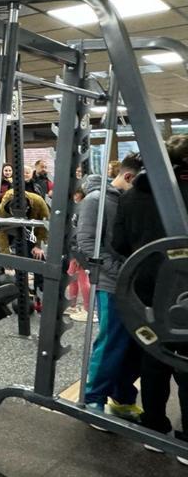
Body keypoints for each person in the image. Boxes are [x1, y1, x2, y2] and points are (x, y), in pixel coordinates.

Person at [112, 135, 187, 465]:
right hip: (183, 292)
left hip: (146, 291)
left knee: (154, 362)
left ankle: (154, 431)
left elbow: (119, 244)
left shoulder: (130, 199)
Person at [79, 153, 145, 421]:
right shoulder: (96, 201)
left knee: (134, 345)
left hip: (133, 283)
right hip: (111, 283)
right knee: (111, 343)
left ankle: (122, 398)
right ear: (128, 177)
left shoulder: (131, 200)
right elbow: (86, 245)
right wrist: (124, 272)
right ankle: (93, 398)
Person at [65, 187, 93, 322]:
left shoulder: (83, 209)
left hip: (79, 248)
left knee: (82, 279)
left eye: (76, 194)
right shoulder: (77, 208)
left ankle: (89, 310)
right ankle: (73, 305)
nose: (74, 197)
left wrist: (79, 252)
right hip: (74, 247)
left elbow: (82, 232)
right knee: (72, 277)